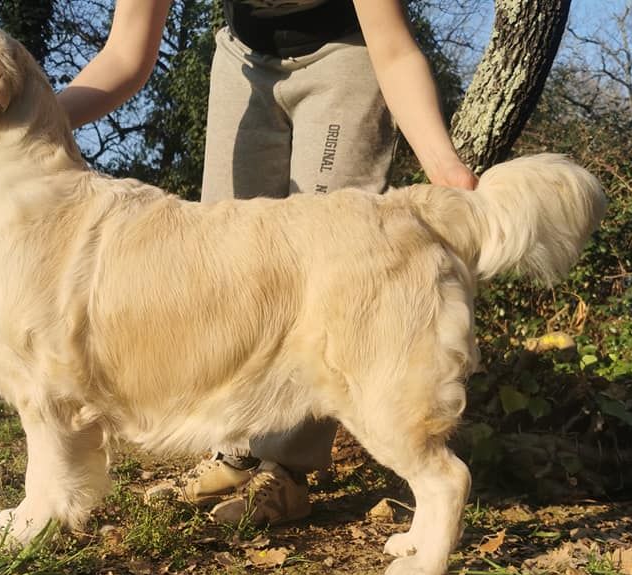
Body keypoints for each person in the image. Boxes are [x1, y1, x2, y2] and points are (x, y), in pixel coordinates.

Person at [57, 0, 478, 527]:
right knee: (223, 266)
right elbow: (125, 53)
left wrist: (444, 165)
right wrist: (30, 118)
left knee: (327, 264)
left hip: (346, 55)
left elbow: (393, 51)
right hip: (244, 59)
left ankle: (286, 471)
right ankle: (234, 454)